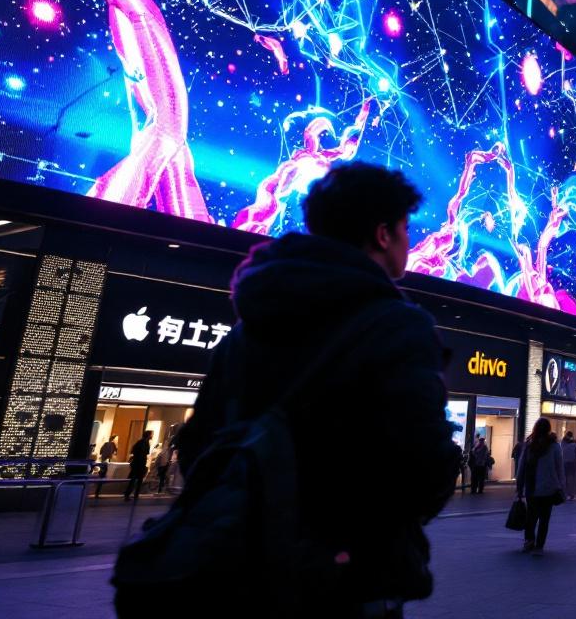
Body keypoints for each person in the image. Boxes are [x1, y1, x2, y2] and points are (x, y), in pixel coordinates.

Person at [169, 162, 458, 614]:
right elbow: (427, 465)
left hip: (236, 573)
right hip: (346, 582)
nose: (410, 241)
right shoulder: (398, 327)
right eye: (405, 228)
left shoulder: (248, 328)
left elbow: (197, 448)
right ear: (382, 235)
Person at [516, 418, 565, 553]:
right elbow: (560, 469)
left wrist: (519, 486)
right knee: (544, 519)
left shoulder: (529, 446)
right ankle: (539, 546)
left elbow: (521, 468)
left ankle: (529, 540)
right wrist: (562, 487)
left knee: (531, 516)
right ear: (549, 429)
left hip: (531, 487)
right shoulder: (555, 446)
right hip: (549, 488)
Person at [123, 431, 152, 502]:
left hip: (139, 463)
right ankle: (129, 494)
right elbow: (143, 453)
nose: (152, 436)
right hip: (139, 464)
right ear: (148, 435)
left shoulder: (142, 442)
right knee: (135, 480)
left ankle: (132, 494)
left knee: (136, 480)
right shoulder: (143, 443)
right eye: (151, 435)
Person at [561, 433, 576, 501]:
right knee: (572, 478)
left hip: (565, 463)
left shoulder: (563, 444)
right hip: (573, 463)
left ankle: (566, 493)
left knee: (566, 478)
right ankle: (572, 493)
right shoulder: (574, 445)